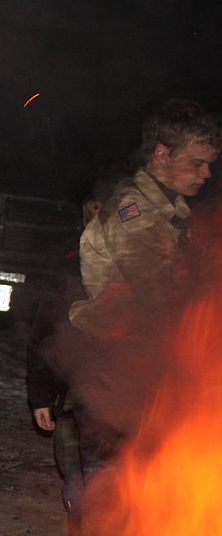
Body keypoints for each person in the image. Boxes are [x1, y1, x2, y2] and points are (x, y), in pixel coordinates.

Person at [62, 99, 221, 504]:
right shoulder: (134, 214)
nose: (207, 174)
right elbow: (165, 297)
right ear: (162, 153)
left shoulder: (173, 214)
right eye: (198, 162)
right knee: (111, 499)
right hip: (117, 379)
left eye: (210, 165)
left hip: (145, 378)